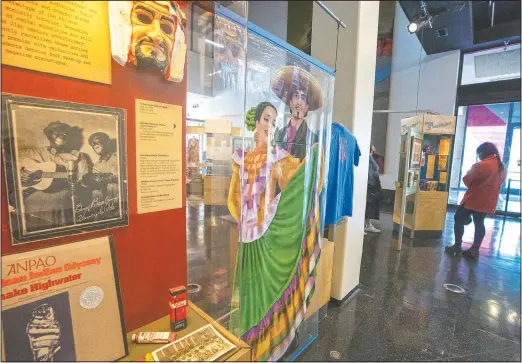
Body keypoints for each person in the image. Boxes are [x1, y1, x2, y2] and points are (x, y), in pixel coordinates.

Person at [228, 100, 323, 361]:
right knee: (249, 289)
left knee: (267, 290)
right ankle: (249, 343)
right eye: (267, 119)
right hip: (248, 239)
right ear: (257, 122)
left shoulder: (279, 157)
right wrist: (245, 221)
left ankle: (271, 342)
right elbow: (233, 197)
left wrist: (313, 159)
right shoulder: (241, 158)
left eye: (274, 120)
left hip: (266, 237)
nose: (271, 125)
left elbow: (297, 185)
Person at [19, 121, 90, 231]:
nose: (60, 136)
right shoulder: (35, 152)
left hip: (67, 195)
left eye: (64, 133)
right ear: (48, 136)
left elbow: (84, 181)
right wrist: (19, 173)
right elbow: (7, 159)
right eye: (56, 133)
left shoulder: (78, 156)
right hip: (36, 197)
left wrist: (84, 182)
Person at [445, 142, 506, 259]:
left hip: (474, 199)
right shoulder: (501, 166)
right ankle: (474, 250)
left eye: (479, 154)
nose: (479, 156)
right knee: (479, 223)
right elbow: (500, 182)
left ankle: (457, 246)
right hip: (488, 201)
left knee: (459, 217)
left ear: (482, 153)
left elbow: (466, 180)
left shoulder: (481, 165)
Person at [271, 66, 323, 161]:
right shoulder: (279, 134)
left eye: (303, 98)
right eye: (296, 96)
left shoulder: (313, 139)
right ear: (290, 102)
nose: (299, 102)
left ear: (307, 107)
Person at [84, 132, 119, 201]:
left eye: (97, 141)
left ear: (107, 143)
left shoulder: (119, 158)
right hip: (104, 202)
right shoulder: (97, 165)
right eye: (92, 144)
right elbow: (95, 189)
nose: (94, 145)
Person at [365, 145, 383, 233]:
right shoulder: (367, 158)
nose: (375, 147)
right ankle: (367, 225)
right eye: (373, 146)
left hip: (373, 185)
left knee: (371, 206)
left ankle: (368, 224)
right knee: (368, 206)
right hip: (370, 185)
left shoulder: (370, 157)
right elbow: (370, 172)